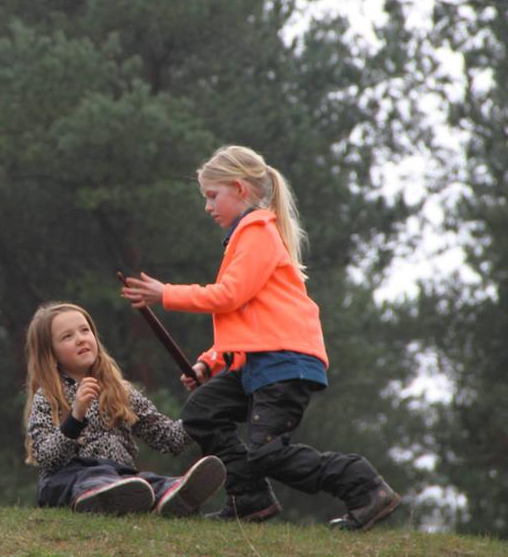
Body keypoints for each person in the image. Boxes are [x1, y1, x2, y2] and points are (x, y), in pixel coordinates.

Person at [120, 145, 401, 531]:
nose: (207, 207)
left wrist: (165, 294)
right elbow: (246, 318)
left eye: (212, 196)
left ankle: (365, 487)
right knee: (203, 412)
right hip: (259, 362)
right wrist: (210, 362)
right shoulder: (244, 237)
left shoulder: (257, 234)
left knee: (267, 453)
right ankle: (248, 498)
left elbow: (228, 297)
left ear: (238, 188)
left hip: (285, 363)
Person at [23, 302, 226, 516]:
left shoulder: (120, 391)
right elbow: (47, 458)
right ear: (51, 354)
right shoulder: (47, 396)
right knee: (95, 475)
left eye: (85, 330)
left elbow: (168, 438)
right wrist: (76, 415)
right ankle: (100, 496)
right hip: (66, 481)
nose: (81, 338)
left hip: (119, 476)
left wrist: (202, 410)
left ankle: (173, 495)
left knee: (147, 481)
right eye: (67, 337)